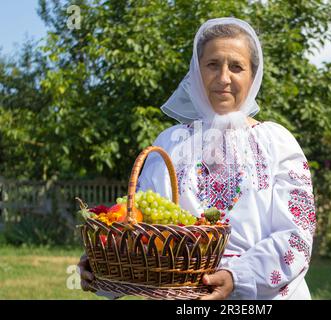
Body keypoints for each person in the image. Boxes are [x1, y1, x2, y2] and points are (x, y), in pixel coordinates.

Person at [78, 17, 316, 300]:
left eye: (236, 67)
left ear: (253, 76)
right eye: (213, 65)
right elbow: (141, 226)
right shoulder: (169, 143)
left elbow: (297, 237)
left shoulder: (277, 142)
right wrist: (106, 262)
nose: (224, 77)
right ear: (196, 71)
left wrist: (235, 277)